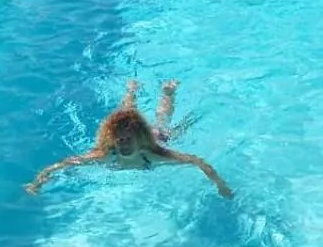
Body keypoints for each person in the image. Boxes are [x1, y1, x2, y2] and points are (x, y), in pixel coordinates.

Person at [27, 80, 233, 197]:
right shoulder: (105, 154)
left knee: (163, 122)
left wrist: (221, 186)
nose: (123, 144)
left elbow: (197, 162)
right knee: (125, 112)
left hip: (157, 137)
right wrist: (38, 181)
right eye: (120, 140)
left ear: (139, 139)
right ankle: (131, 90)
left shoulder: (156, 153)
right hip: (139, 132)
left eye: (127, 140)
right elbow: (63, 164)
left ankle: (168, 93)